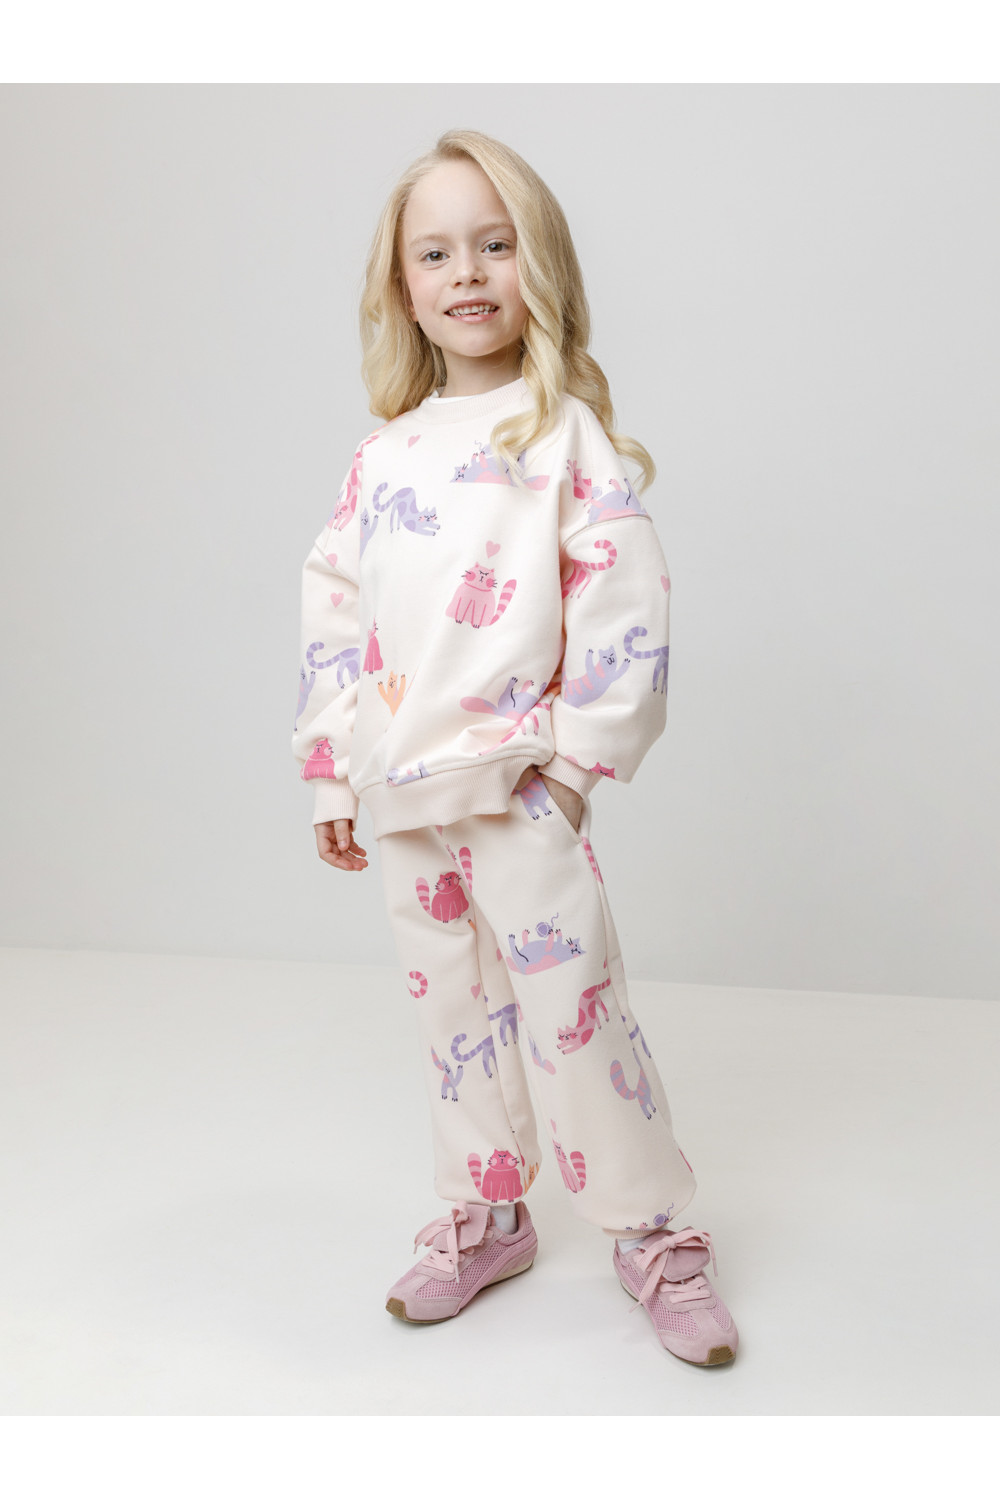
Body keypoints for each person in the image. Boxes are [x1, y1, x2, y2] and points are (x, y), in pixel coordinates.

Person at [291, 129, 739, 1367]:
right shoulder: (382, 456)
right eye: (435, 253)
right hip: (403, 794)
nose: (467, 273)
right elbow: (335, 613)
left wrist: (576, 767)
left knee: (572, 1015)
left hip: (518, 790)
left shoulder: (562, 434)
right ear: (401, 286)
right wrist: (331, 770)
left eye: (494, 245)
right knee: (455, 1015)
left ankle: (651, 1230)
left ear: (536, 264)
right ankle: (488, 1214)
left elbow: (623, 597)